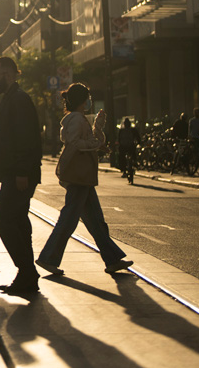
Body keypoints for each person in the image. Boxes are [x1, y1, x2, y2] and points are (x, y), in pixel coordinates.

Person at [36, 83, 133, 276]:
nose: (89, 100)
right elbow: (74, 143)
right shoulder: (77, 119)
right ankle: (48, 257)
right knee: (69, 219)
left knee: (96, 221)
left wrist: (98, 129)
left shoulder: (78, 119)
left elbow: (86, 143)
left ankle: (112, 259)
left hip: (84, 176)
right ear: (82, 100)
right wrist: (94, 143)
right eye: (87, 97)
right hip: (79, 176)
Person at [0, 56, 43, 298]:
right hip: (12, 172)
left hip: (19, 174)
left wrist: (21, 171)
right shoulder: (12, 99)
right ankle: (27, 276)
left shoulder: (18, 100)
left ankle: (27, 271)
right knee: (19, 222)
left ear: (9, 75)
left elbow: (25, 138)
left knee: (4, 218)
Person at [117, 118, 140, 183]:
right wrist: (138, 143)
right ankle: (135, 164)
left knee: (121, 157)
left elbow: (119, 139)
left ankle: (123, 170)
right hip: (131, 146)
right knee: (133, 155)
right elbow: (138, 137)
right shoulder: (133, 130)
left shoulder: (121, 131)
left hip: (123, 147)